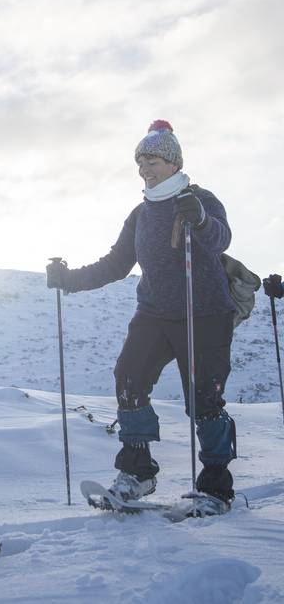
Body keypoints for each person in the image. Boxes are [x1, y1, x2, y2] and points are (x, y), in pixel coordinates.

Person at [47, 120, 237, 509]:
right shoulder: (141, 213)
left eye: (152, 160)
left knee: (204, 401)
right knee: (129, 379)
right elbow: (116, 264)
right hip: (154, 312)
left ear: (173, 162)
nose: (144, 170)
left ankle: (216, 485)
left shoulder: (200, 198)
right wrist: (69, 279)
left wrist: (199, 218)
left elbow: (221, 239)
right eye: (140, 162)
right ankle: (138, 472)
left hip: (204, 313)